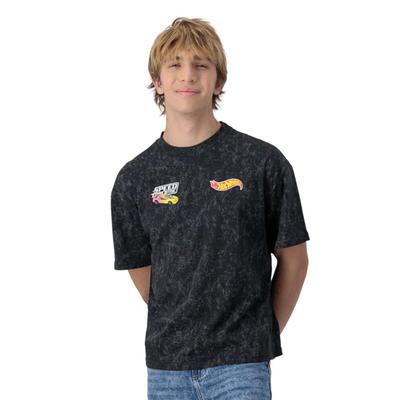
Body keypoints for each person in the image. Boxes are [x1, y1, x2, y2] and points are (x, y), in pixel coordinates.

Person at [111, 17, 310, 400]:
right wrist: (184, 317)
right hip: (167, 369)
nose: (188, 75)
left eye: (201, 65)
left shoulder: (261, 162)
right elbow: (141, 268)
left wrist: (259, 334)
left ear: (218, 81)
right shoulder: (134, 178)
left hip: (242, 366)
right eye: (175, 64)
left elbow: (295, 260)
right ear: (157, 81)